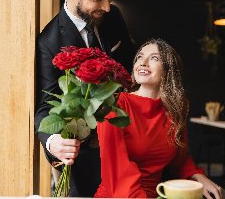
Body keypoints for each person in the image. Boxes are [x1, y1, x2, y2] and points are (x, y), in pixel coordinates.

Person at [34, 0, 135, 197]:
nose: (108, 7)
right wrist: (53, 142)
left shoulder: (113, 18)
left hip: (128, 146)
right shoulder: (48, 42)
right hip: (86, 160)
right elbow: (44, 108)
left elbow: (130, 68)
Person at [95, 38, 223, 199]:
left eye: (154, 58)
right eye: (140, 57)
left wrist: (198, 176)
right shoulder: (114, 105)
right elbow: (117, 172)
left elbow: (180, 160)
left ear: (168, 70)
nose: (143, 62)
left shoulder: (176, 109)